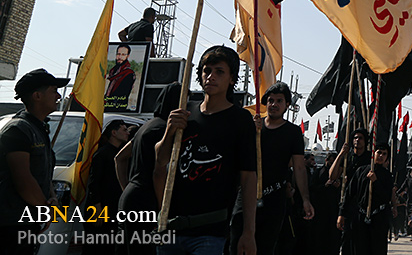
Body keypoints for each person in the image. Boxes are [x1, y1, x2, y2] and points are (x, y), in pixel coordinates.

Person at [153, 46, 257, 255]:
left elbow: (248, 178)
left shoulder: (240, 120)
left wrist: (248, 232)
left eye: (219, 71)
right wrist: (170, 131)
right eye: (206, 71)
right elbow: (160, 161)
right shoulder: (185, 111)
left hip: (210, 232)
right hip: (171, 227)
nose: (211, 76)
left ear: (231, 78)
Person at [230, 81, 314, 255]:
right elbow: (237, 156)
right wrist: (251, 132)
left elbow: (299, 168)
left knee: (265, 247)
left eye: (279, 101)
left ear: (287, 105)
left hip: (274, 198)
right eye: (270, 100)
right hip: (246, 195)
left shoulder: (293, 132)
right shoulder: (253, 127)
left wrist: (305, 199)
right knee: (236, 243)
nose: (274, 104)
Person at [0, 69, 68, 255]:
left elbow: (43, 172)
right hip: (11, 224)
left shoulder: (39, 128)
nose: (58, 96)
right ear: (37, 96)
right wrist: (45, 208)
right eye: (54, 91)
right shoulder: (18, 130)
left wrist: (52, 197)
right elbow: (23, 179)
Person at [116, 83, 181, 255]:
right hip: (147, 201)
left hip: (130, 197)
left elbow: (120, 158)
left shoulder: (146, 127)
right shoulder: (163, 130)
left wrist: (127, 187)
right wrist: (162, 209)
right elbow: (158, 173)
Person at [337, 143, 397, 255]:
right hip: (361, 218)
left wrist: (376, 182)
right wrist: (342, 214)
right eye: (379, 152)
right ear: (374, 153)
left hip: (378, 219)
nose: (381, 156)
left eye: (384, 154)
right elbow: (349, 194)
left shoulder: (387, 176)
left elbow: (386, 197)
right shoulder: (361, 171)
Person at [82, 119, 130, 254]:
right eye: (124, 130)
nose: (127, 133)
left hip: (113, 208)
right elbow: (94, 182)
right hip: (101, 208)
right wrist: (97, 209)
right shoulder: (102, 154)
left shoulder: (122, 154)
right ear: (113, 133)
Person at [105, 43, 136, 109]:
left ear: (127, 56)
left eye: (123, 54)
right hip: (108, 105)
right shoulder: (114, 71)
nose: (120, 57)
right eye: (118, 54)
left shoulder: (128, 74)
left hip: (117, 108)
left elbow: (122, 94)